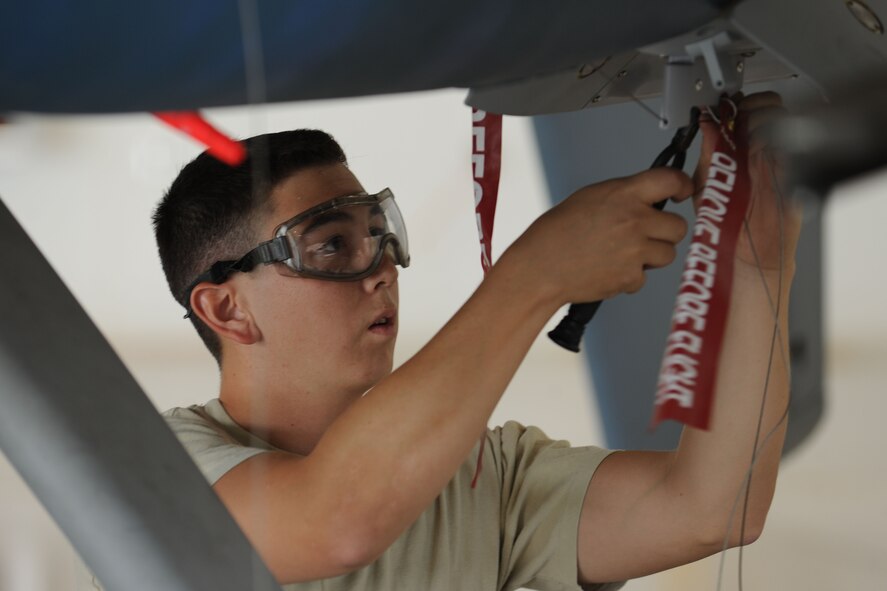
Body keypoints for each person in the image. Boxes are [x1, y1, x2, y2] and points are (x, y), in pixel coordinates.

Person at [154, 92, 798, 590]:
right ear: (227, 309)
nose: (380, 267)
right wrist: (536, 273)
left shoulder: (484, 475)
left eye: (380, 233)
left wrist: (760, 262)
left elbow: (714, 505)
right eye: (330, 245)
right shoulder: (157, 472)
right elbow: (338, 519)